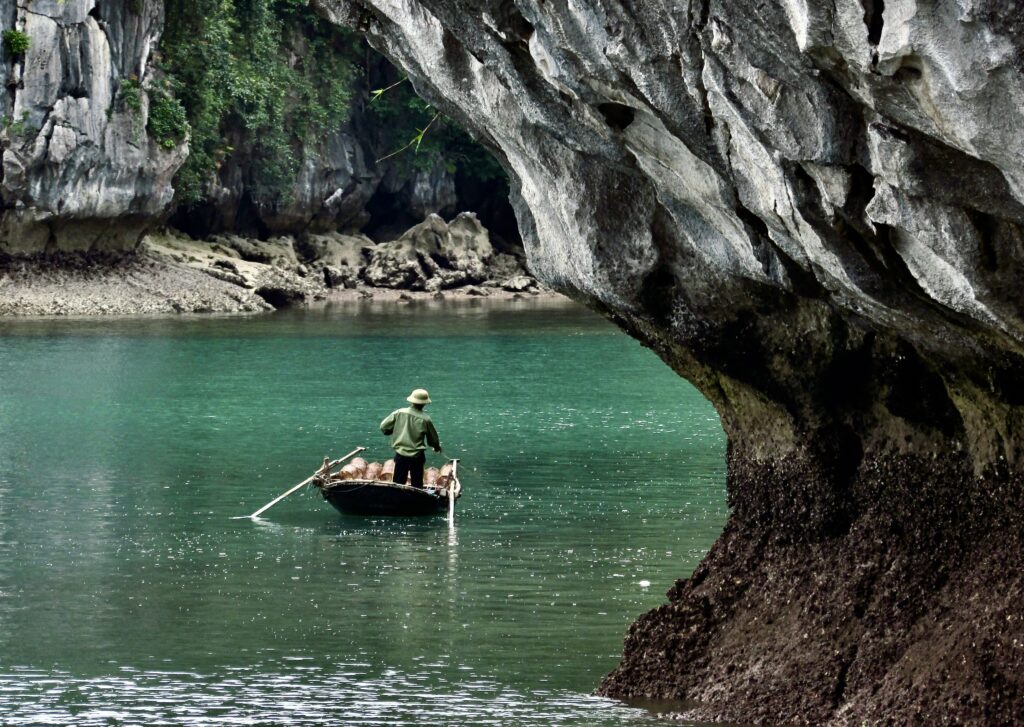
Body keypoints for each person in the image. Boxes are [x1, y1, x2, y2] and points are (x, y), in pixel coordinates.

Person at [380, 388, 442, 488]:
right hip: (417, 457)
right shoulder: (425, 419)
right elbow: (433, 439)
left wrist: (392, 431)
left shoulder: (399, 413)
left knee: (398, 484)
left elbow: (384, 427)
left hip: (400, 455)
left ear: (412, 401)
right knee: (417, 485)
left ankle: (397, 500)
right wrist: (437, 447)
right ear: (424, 403)